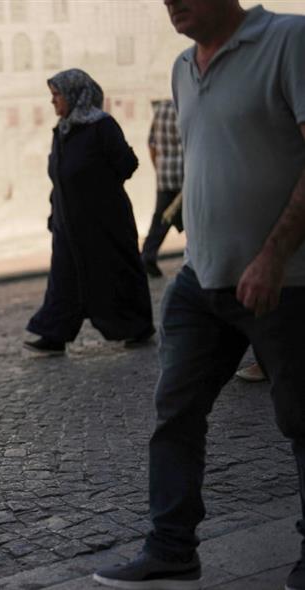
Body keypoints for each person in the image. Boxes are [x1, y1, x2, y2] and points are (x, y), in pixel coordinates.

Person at [94, 2, 305, 589]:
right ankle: (171, 548)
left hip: (285, 281)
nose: (171, 3)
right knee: (175, 414)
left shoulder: (290, 40)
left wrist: (274, 254)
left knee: (301, 421)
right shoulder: (184, 66)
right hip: (200, 280)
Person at [23, 68, 155, 357]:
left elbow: (127, 165)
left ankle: (137, 326)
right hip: (68, 223)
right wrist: (54, 213)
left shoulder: (102, 126)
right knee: (65, 278)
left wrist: (97, 186)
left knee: (115, 273)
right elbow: (58, 176)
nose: (53, 101)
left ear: (74, 95)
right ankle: (54, 333)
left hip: (104, 222)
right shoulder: (63, 130)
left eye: (56, 95)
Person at [142, 99, 184, 278]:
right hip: (185, 174)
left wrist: (158, 168)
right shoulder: (186, 107)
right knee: (194, 217)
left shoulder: (161, 110)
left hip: (165, 176)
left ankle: (148, 255)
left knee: (160, 218)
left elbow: (151, 143)